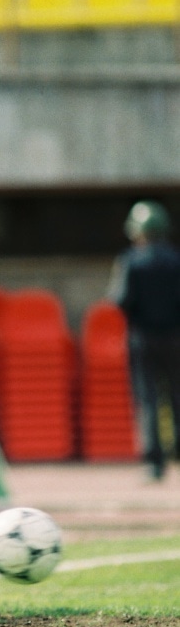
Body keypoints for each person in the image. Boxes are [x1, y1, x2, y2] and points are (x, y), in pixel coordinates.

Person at [108, 201, 180, 480]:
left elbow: (120, 299)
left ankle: (155, 463)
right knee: (176, 395)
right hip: (175, 337)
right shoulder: (176, 260)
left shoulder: (131, 260)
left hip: (143, 338)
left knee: (148, 399)